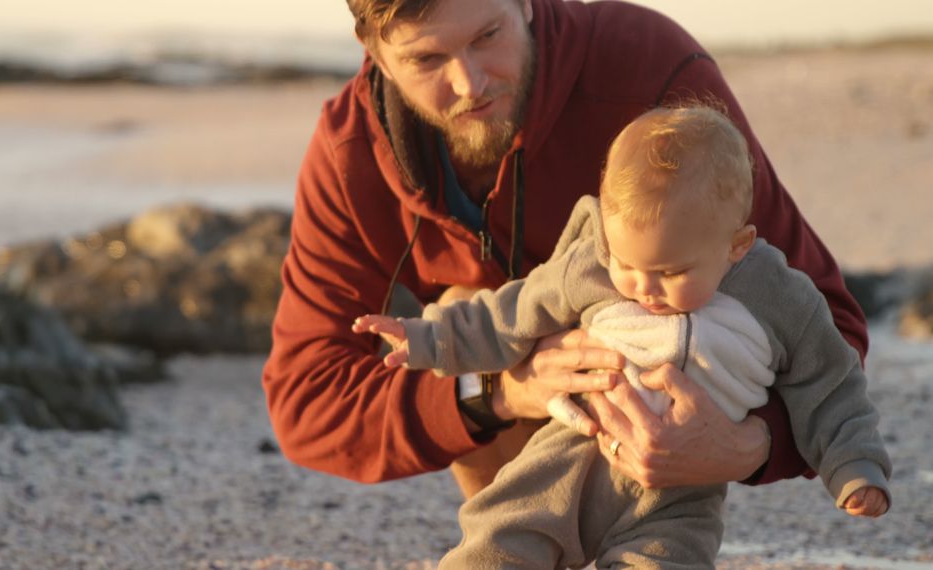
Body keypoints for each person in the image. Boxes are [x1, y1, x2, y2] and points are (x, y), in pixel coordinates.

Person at [262, 0, 868, 500]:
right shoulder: (352, 150)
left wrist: (746, 447)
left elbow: (827, 324)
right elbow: (305, 399)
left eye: (488, 35)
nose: (469, 83)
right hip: (521, 424)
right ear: (377, 59)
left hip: (679, 419)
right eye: (426, 58)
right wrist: (498, 393)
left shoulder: (645, 70)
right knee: (464, 307)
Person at [354, 105, 891, 568]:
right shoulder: (593, 265)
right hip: (570, 456)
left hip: (680, 495)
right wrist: (426, 339)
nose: (643, 288)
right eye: (629, 265)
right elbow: (507, 314)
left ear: (737, 245)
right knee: (500, 542)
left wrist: (854, 467)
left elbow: (830, 380)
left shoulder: (777, 295)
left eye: (673, 272)